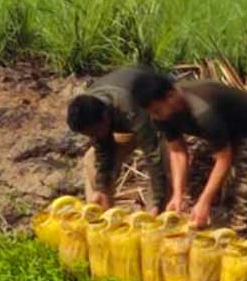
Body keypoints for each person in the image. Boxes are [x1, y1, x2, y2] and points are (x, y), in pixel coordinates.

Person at [131, 72, 247, 233]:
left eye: (157, 110)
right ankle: (207, 214)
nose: (155, 116)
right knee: (196, 174)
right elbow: (177, 152)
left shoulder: (203, 111)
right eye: (151, 112)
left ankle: (239, 233)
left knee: (245, 187)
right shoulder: (162, 115)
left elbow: (224, 158)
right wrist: (178, 194)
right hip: (220, 130)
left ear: (171, 96)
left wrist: (205, 200)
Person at [66, 66, 169, 213]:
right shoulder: (90, 108)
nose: (94, 136)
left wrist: (157, 202)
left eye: (95, 131)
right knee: (91, 159)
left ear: (105, 116)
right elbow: (103, 151)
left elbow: (153, 153)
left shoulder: (129, 106)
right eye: (90, 134)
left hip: (158, 122)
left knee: (164, 162)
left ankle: (157, 217)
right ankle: (102, 215)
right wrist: (102, 188)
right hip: (128, 127)